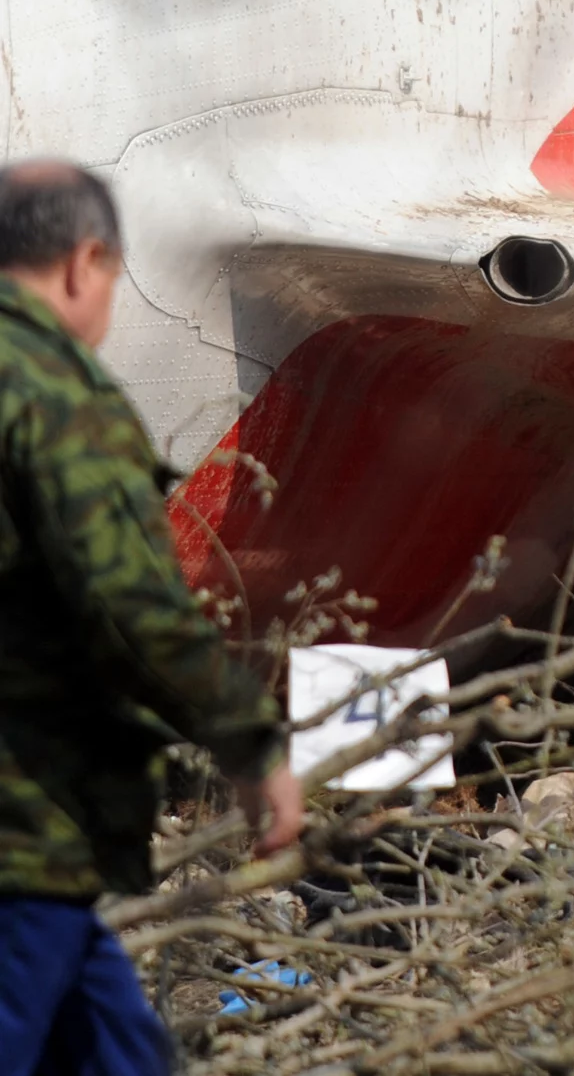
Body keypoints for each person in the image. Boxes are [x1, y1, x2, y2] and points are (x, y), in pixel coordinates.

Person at [0, 162, 300, 1073]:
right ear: (85, 262)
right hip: (25, 831)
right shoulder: (55, 399)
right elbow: (131, 607)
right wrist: (250, 740)